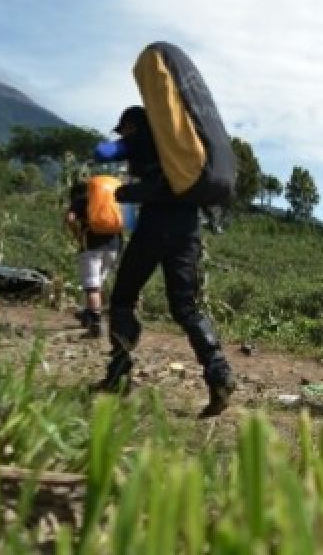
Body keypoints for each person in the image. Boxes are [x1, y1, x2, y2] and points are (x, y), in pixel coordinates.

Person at [92, 105, 236, 418]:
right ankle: (219, 374)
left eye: (124, 129)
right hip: (189, 231)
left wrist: (124, 184)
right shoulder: (179, 149)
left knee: (122, 299)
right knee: (186, 307)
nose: (123, 134)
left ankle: (118, 374)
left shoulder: (141, 138)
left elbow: (102, 152)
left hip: (154, 229)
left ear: (133, 125)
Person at [64, 170, 122, 339]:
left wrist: (77, 234)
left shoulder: (81, 200)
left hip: (91, 247)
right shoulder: (112, 200)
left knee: (92, 287)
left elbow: (70, 218)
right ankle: (89, 314)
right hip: (113, 248)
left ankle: (95, 324)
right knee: (98, 283)